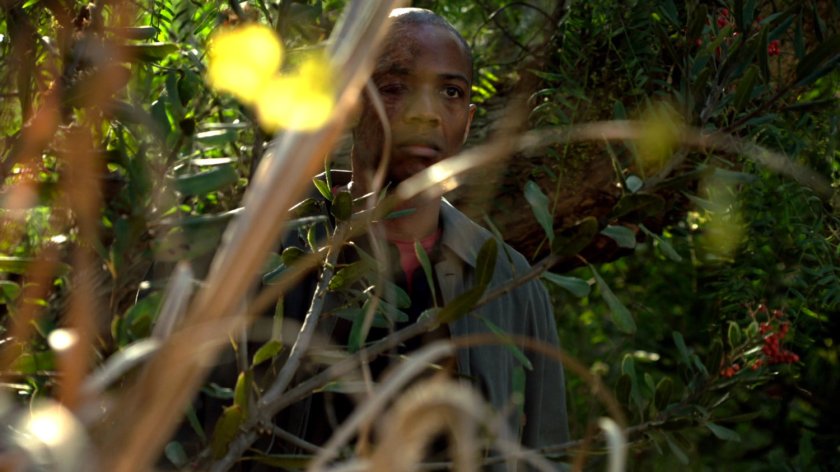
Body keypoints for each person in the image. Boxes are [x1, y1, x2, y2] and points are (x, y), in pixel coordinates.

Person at [278, 7, 570, 460]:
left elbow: (547, 453)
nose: (426, 114)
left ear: (469, 121)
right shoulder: (270, 258)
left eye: (450, 92)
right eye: (395, 88)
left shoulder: (512, 285)